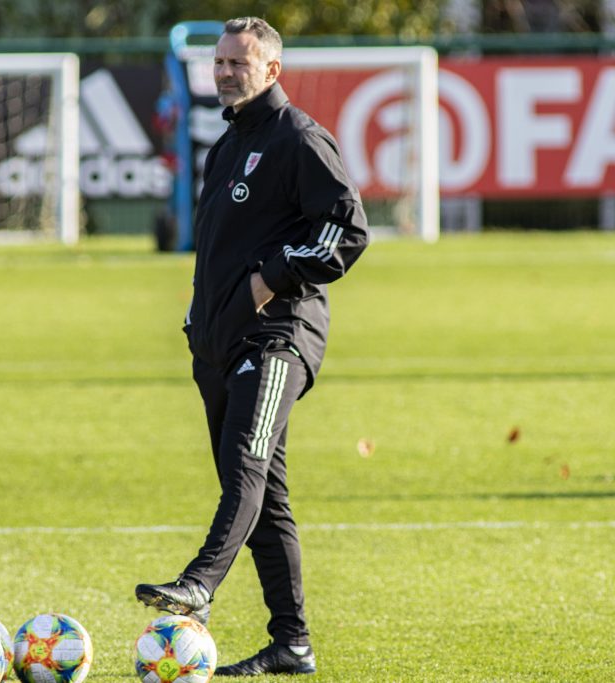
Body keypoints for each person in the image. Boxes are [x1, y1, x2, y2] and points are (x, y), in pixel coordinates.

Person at [135, 17, 369, 677]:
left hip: (278, 337)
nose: (226, 71)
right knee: (265, 494)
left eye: (241, 62)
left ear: (273, 70)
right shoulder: (227, 142)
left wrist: (272, 279)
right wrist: (198, 318)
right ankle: (291, 643)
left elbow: (347, 232)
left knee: (245, 464)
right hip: (217, 342)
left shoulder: (298, 139)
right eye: (220, 61)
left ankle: (199, 584)